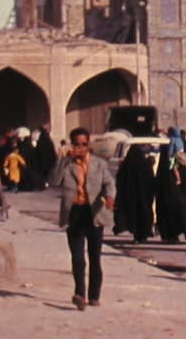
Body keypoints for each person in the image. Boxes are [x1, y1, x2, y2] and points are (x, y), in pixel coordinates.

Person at [51, 127, 116, 310]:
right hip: (75, 213)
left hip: (93, 213)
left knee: (95, 257)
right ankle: (80, 294)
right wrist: (64, 160)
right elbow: (54, 181)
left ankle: (94, 296)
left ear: (88, 145)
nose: (81, 148)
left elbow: (109, 183)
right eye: (77, 145)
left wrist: (110, 197)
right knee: (78, 258)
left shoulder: (99, 164)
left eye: (84, 144)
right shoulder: (67, 165)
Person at [113, 144, 156, 244]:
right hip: (144, 199)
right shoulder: (145, 166)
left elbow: (119, 181)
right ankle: (143, 235)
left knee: (134, 216)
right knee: (143, 215)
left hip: (130, 198)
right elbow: (151, 181)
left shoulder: (126, 166)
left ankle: (137, 236)